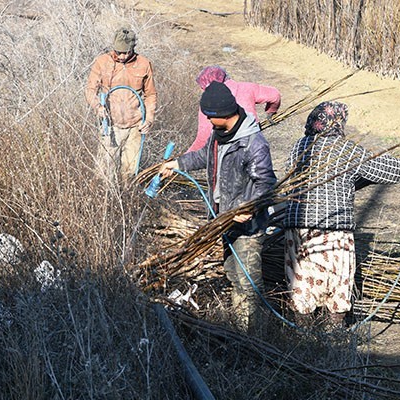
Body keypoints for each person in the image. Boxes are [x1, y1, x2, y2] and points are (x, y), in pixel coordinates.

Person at [282, 101, 400, 328]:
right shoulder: (345, 149)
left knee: (303, 282)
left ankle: (301, 333)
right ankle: (334, 332)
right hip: (331, 229)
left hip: (296, 227)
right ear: (337, 123)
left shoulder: (298, 147)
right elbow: (382, 168)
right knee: (337, 281)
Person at [160, 81, 277, 331]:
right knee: (234, 276)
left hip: (248, 227)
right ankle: (240, 328)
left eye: (209, 117)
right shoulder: (219, 136)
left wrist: (248, 208)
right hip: (225, 220)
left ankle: (255, 337)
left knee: (249, 284)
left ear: (220, 115)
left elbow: (266, 184)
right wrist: (176, 165)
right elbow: (203, 156)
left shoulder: (253, 144)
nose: (208, 121)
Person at [85, 26, 157, 177]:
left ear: (133, 48)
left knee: (129, 173)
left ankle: (126, 198)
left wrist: (149, 119)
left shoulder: (143, 64)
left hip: (135, 127)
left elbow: (150, 95)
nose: (123, 56)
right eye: (119, 52)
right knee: (105, 173)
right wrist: (98, 107)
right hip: (110, 126)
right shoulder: (102, 62)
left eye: (126, 52)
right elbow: (90, 90)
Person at [186, 65, 281, 152]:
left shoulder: (210, 103)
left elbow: (203, 139)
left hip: (229, 148)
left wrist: (183, 159)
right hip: (254, 139)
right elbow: (274, 95)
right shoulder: (247, 88)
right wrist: (271, 111)